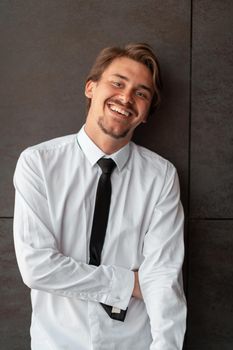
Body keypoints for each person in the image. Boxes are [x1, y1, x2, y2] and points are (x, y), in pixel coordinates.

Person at [13, 43, 187, 350]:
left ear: (146, 114)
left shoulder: (161, 177)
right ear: (91, 87)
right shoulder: (38, 164)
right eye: (118, 83)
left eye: (141, 93)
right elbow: (37, 267)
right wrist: (128, 283)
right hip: (56, 343)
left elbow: (162, 277)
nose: (126, 98)